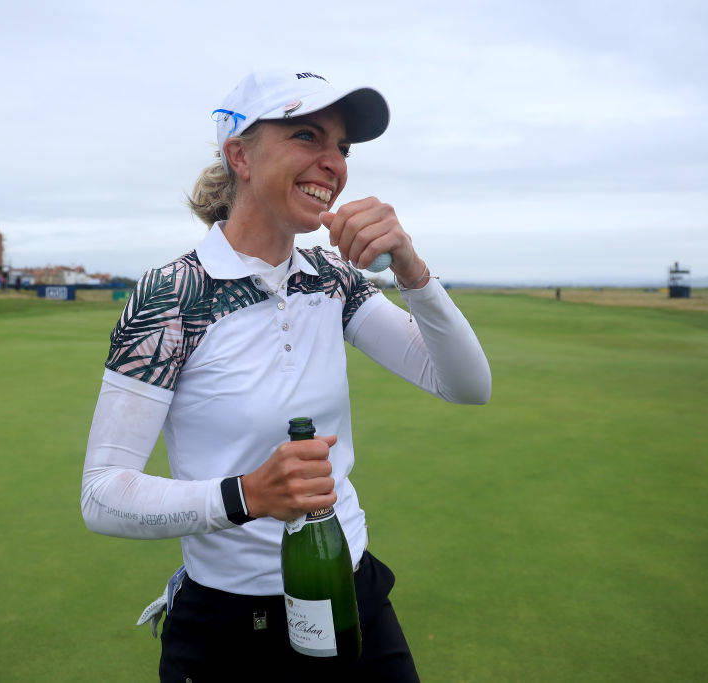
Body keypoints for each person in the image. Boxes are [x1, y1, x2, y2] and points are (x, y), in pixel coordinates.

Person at [81, 70, 492, 682]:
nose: (334, 163)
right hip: (230, 626)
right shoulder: (174, 295)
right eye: (307, 136)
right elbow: (102, 495)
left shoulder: (332, 278)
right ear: (240, 156)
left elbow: (466, 385)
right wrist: (247, 495)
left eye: (342, 147)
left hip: (352, 590)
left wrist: (412, 269)